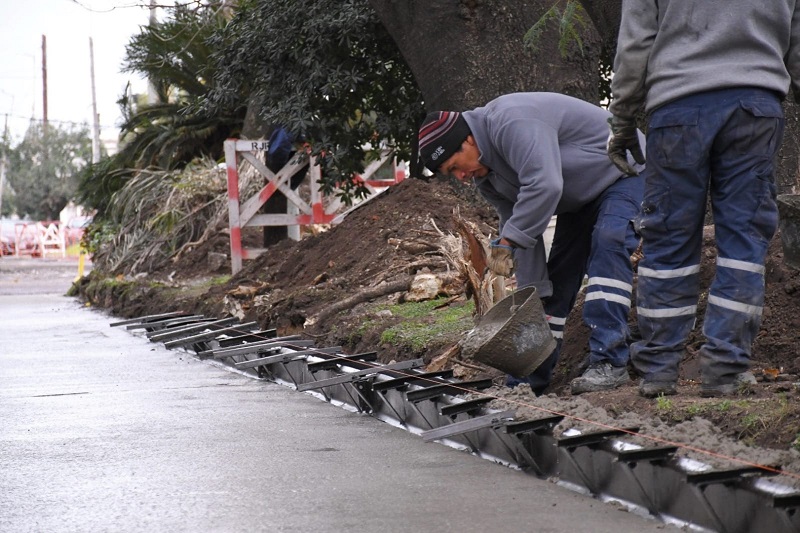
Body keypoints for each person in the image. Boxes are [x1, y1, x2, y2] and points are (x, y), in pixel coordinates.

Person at [607, 0, 800, 397]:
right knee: (743, 240)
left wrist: (623, 119)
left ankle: (659, 370)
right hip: (756, 106)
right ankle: (725, 369)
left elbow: (635, 44)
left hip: (678, 106)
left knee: (668, 236)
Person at [418, 92, 645, 395]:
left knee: (609, 240)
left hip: (625, 171)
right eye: (451, 175)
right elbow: (523, 228)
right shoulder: (487, 179)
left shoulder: (511, 120)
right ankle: (529, 380)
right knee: (555, 283)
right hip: (579, 200)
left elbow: (545, 185)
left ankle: (610, 362)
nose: (461, 177)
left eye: (455, 166)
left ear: (468, 141)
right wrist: (532, 293)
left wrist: (509, 240)